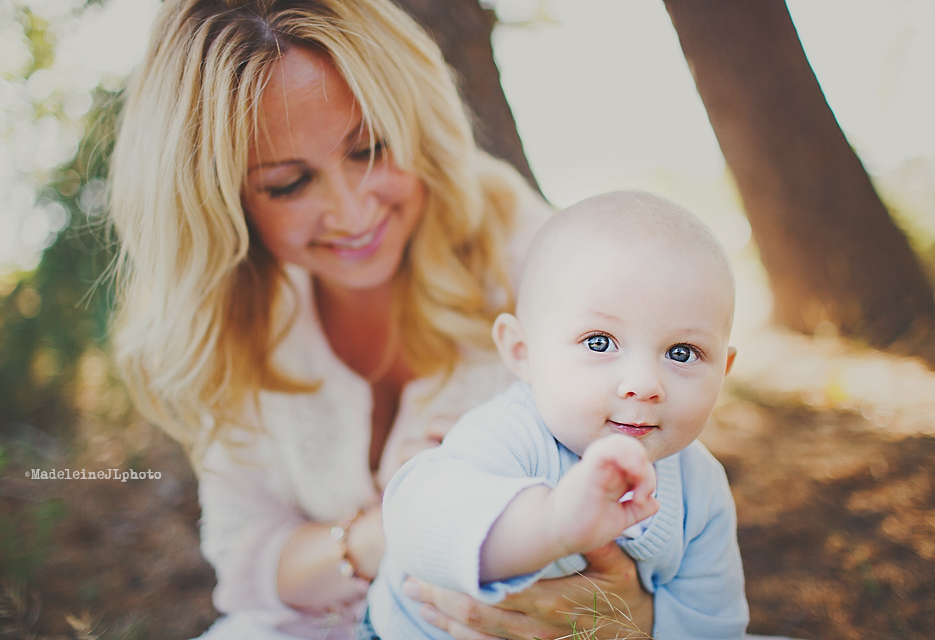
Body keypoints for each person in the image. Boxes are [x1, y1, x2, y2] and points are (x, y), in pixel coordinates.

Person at [107, 0, 657, 638]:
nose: (350, 211)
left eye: (370, 148)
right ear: (221, 199)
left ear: (415, 122)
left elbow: (658, 485)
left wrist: (637, 618)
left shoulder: (532, 257)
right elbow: (247, 559)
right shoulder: (238, 315)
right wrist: (384, 532)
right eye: (288, 184)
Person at [371, 191, 750, 640]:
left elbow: (712, 623)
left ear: (722, 371)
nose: (645, 384)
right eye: (599, 342)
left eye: (682, 352)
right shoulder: (511, 434)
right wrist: (550, 522)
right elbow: (417, 515)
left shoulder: (700, 487)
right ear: (522, 352)